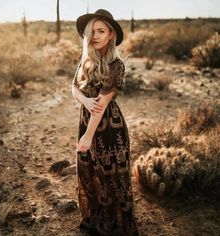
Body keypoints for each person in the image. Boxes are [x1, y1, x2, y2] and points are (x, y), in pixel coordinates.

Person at [72, 9, 140, 236]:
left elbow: (100, 105)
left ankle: (116, 225)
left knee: (111, 176)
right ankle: (98, 218)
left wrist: (88, 136)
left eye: (101, 31)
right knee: (90, 172)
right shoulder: (87, 60)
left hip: (108, 128)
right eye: (91, 32)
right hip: (87, 119)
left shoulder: (116, 65)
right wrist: (85, 101)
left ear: (111, 34)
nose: (95, 35)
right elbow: (74, 87)